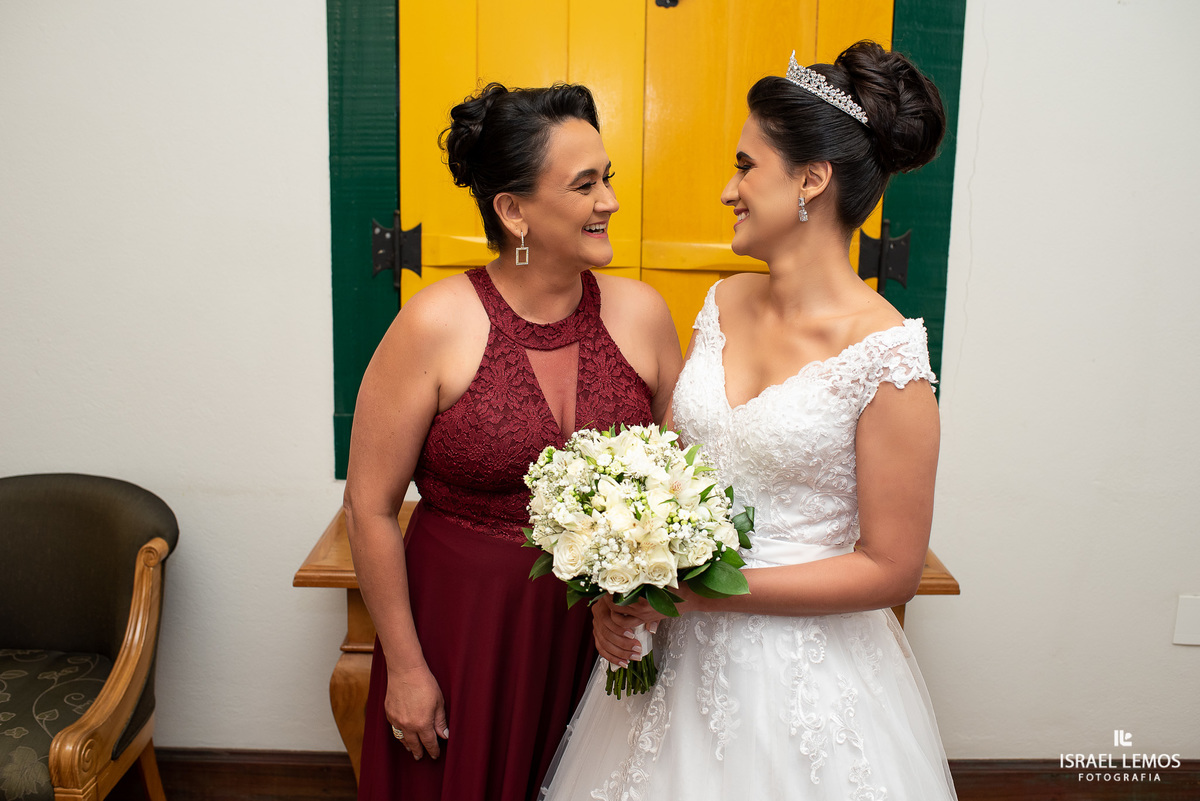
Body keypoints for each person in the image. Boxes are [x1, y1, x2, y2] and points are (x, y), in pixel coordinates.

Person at [540, 42, 957, 800]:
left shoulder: (888, 357)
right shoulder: (722, 304)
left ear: (811, 179)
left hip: (804, 681)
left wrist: (710, 592)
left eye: (745, 165)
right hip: (669, 657)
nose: (729, 189)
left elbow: (891, 567)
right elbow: (669, 475)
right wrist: (620, 583)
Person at [344, 82, 682, 801]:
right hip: (463, 631)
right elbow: (369, 505)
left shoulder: (645, 316)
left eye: (608, 178)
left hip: (599, 641)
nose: (610, 201)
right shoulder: (434, 323)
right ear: (513, 209)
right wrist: (405, 665)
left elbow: (674, 488)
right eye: (585, 184)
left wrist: (637, 601)